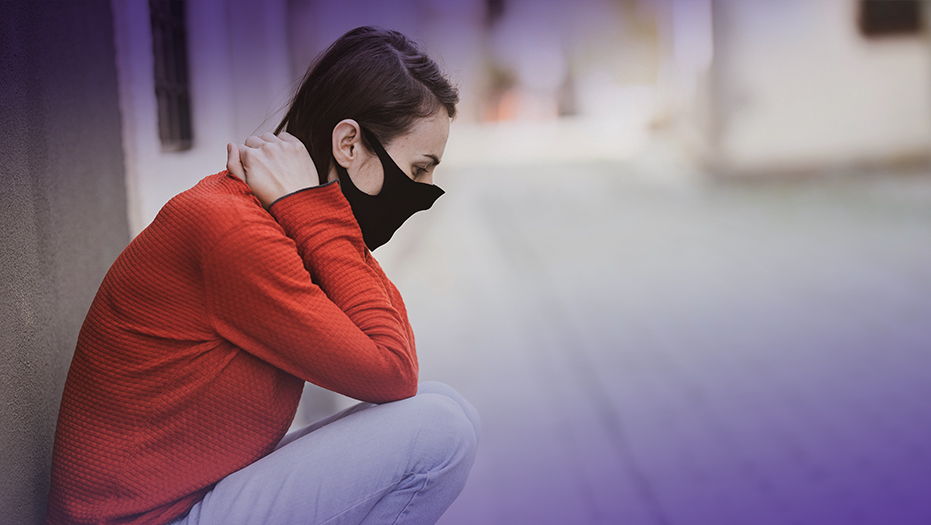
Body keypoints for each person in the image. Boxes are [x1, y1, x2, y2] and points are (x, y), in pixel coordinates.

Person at [45, 26, 479, 525]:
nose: (425, 190)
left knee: (443, 404)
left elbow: (395, 350)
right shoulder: (232, 228)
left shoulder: (287, 219)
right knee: (439, 434)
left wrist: (317, 214)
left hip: (196, 499)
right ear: (350, 144)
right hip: (154, 520)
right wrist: (317, 213)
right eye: (420, 167)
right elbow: (391, 370)